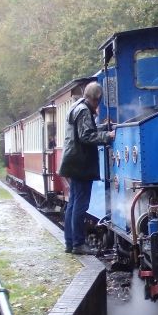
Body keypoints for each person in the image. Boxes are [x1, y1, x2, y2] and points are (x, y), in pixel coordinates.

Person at [58, 82, 115, 255]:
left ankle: (70, 243)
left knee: (73, 203)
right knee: (80, 205)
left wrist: (103, 127)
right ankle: (78, 244)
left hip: (73, 162)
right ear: (96, 99)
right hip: (80, 163)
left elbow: (85, 130)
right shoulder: (84, 110)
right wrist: (108, 136)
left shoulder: (77, 107)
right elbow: (86, 136)